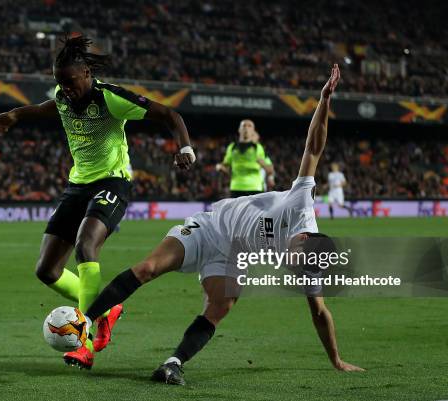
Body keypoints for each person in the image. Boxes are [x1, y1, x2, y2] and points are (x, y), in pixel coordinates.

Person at [82, 65, 364, 384]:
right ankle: (85, 322)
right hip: (211, 227)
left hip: (232, 257)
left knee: (221, 305)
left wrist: (336, 360)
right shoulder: (301, 205)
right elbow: (314, 147)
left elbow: (320, 314)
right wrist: (324, 101)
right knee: (148, 268)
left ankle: (172, 364)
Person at [0, 35, 195, 369]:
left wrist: (185, 148)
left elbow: (169, 115)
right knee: (47, 270)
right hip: (77, 185)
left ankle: (85, 343)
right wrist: (15, 114)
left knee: (87, 245)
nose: (65, 89)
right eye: (60, 83)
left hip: (112, 182)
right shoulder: (62, 97)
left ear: (86, 73)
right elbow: (45, 108)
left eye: (69, 82)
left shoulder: (110, 97)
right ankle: (106, 306)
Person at [216, 119, 274, 197]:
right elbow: (226, 167)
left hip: (255, 187)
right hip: (236, 187)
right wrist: (221, 167)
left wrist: (270, 177)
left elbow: (270, 169)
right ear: (239, 130)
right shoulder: (232, 147)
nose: (246, 128)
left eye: (249, 126)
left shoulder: (259, 149)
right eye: (244, 126)